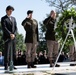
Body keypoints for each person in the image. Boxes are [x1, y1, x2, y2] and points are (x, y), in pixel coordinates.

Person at [1, 5, 17, 70]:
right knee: (7, 52)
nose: (11, 12)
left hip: (13, 37)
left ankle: (12, 64)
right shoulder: (3, 18)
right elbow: (4, 28)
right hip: (7, 37)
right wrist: (10, 34)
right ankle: (6, 65)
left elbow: (16, 28)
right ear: (6, 11)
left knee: (13, 52)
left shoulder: (14, 18)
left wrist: (14, 34)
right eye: (10, 11)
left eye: (12, 11)